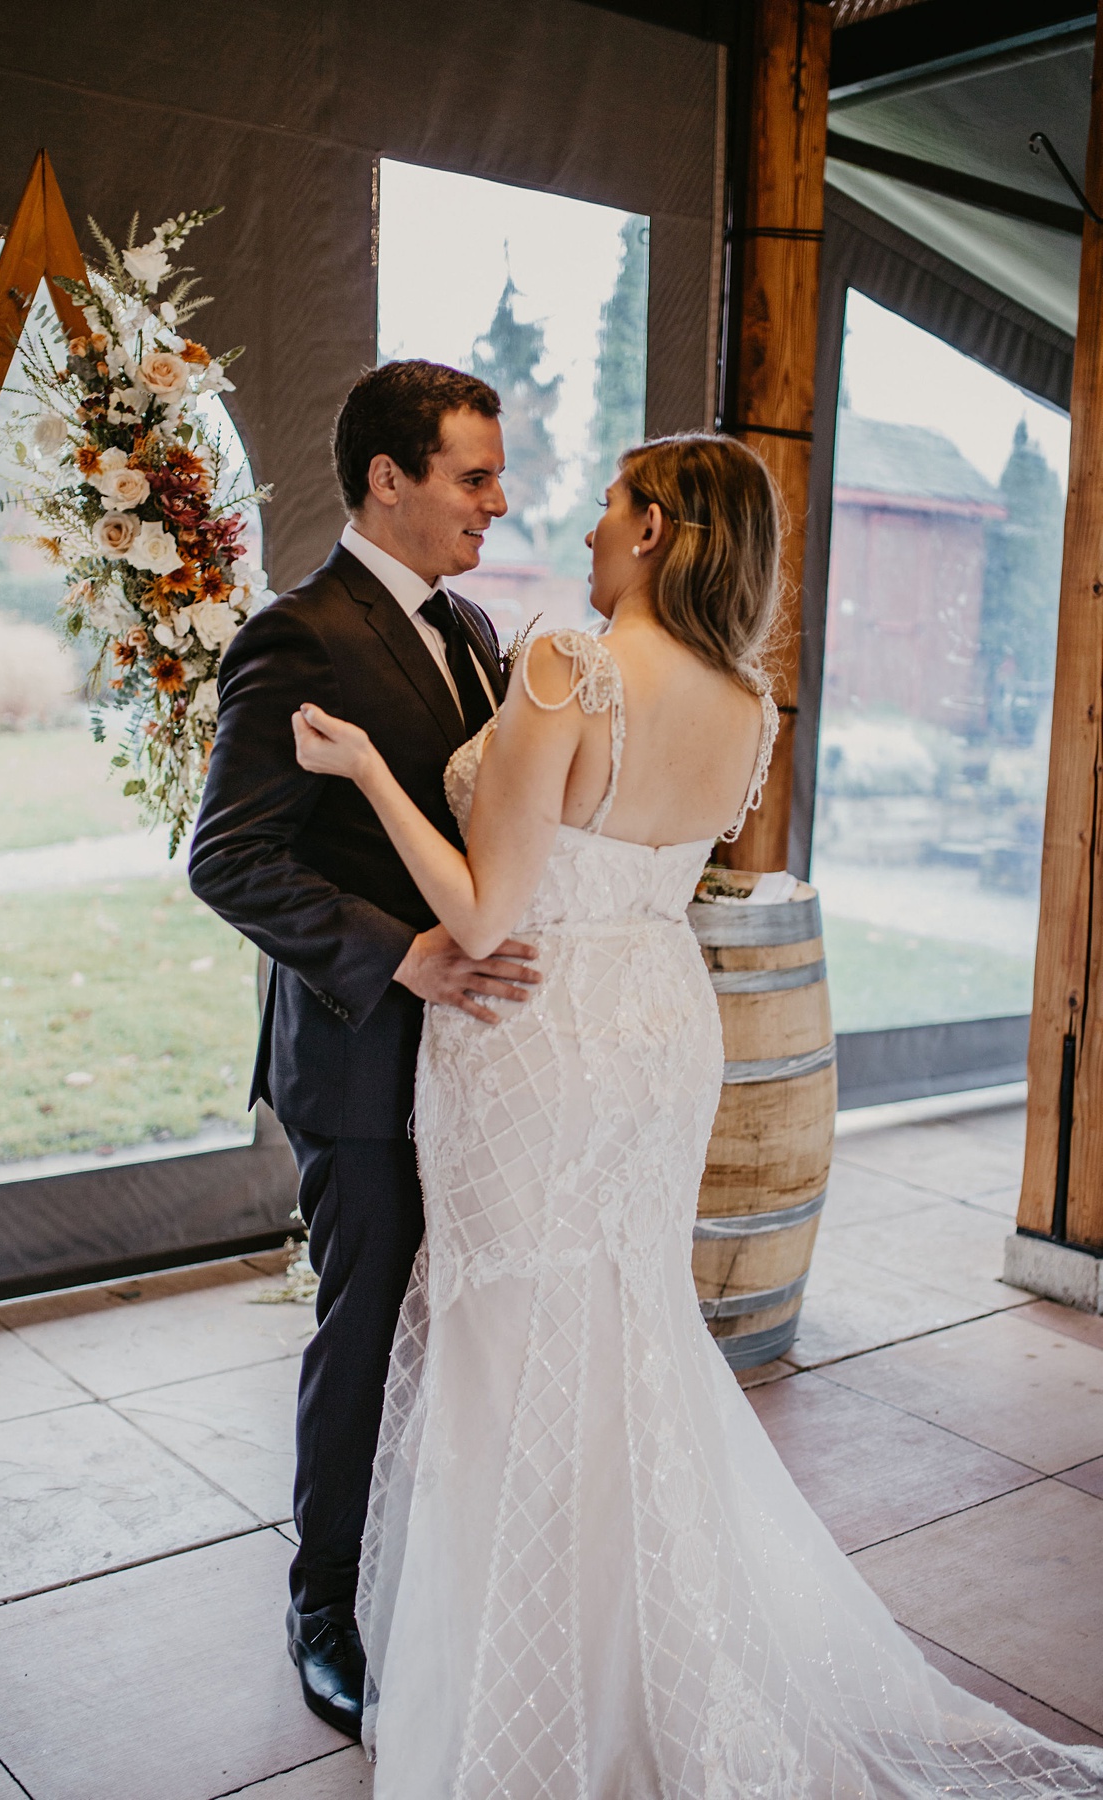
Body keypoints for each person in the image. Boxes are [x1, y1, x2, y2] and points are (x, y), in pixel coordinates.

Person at [292, 432, 1103, 1799]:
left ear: (657, 528)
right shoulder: (747, 705)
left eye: (613, 507)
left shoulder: (570, 661)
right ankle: (648, 1649)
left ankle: (527, 1683)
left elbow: (489, 913)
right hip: (663, 1025)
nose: (592, 528)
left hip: (530, 1028)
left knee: (509, 1325)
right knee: (624, 1323)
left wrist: (368, 768)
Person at [188, 360, 542, 1738]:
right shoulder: (299, 637)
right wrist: (403, 954)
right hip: (356, 1058)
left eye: (496, 476)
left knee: (452, 1322)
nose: (496, 503)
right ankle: (323, 1598)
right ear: (387, 478)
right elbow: (229, 861)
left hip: (478, 1070)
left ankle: (422, 1556)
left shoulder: (473, 629)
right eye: (472, 476)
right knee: (369, 1318)